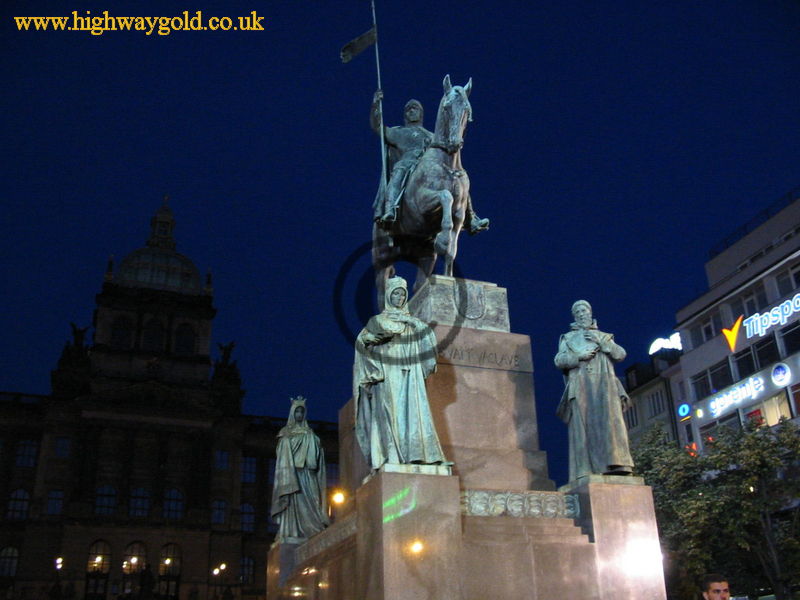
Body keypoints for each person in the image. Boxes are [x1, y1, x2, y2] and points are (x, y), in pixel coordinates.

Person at [353, 276, 447, 469]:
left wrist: (410, 321)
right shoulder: (378, 320)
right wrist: (369, 340)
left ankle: (416, 454)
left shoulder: (412, 322)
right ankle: (392, 456)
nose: (399, 298)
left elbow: (428, 340)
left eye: (402, 294)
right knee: (390, 411)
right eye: (395, 294)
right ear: (389, 295)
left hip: (411, 372)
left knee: (414, 412)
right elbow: (362, 343)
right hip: (388, 372)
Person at [371, 90, 488, 233]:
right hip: (407, 163)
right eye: (408, 109)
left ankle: (471, 217)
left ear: (421, 113)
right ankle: (390, 210)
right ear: (405, 115)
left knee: (457, 177)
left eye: (415, 108)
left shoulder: (432, 136)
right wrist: (376, 105)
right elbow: (377, 126)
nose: (411, 111)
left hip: (430, 165)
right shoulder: (398, 132)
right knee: (397, 175)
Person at [554, 299, 634, 480]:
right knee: (583, 428)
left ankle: (616, 464)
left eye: (584, 311)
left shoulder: (604, 336)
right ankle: (586, 469)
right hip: (581, 385)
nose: (581, 314)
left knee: (610, 423)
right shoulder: (568, 338)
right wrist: (578, 356)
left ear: (590, 312)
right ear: (574, 317)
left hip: (604, 386)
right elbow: (559, 360)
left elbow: (620, 354)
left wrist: (605, 345)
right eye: (577, 312)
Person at [270, 397, 329, 543]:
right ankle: (291, 530)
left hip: (307, 474)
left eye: (302, 412)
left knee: (312, 502)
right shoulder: (285, 433)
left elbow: (317, 455)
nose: (299, 415)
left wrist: (314, 442)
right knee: (292, 503)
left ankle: (312, 528)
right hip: (292, 474)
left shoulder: (310, 433)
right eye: (297, 412)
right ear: (292, 413)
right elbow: (281, 454)